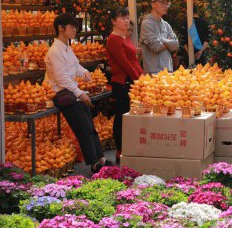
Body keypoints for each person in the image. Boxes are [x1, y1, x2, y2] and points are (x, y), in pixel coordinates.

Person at [45, 13, 110, 173]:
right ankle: (95, 163)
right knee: (84, 128)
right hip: (62, 94)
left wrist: (85, 72)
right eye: (72, 27)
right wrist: (79, 93)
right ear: (61, 28)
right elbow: (61, 78)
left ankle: (100, 158)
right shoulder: (54, 51)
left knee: (90, 126)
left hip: (72, 92)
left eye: (76, 27)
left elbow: (76, 65)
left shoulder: (67, 48)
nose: (75, 30)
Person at [106, 8, 143, 164]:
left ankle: (129, 148)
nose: (127, 21)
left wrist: (141, 77)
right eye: (123, 18)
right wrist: (139, 79)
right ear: (113, 21)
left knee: (130, 116)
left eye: (127, 18)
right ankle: (120, 150)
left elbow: (133, 61)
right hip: (122, 83)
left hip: (132, 81)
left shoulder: (125, 37)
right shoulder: (114, 39)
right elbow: (125, 64)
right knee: (122, 116)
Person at [140, 0, 178, 74]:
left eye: (167, 3)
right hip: (153, 73)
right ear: (153, 4)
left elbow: (176, 45)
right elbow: (156, 46)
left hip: (168, 71)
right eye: (162, 3)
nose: (165, 6)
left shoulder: (166, 24)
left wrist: (161, 39)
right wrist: (169, 41)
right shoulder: (147, 23)